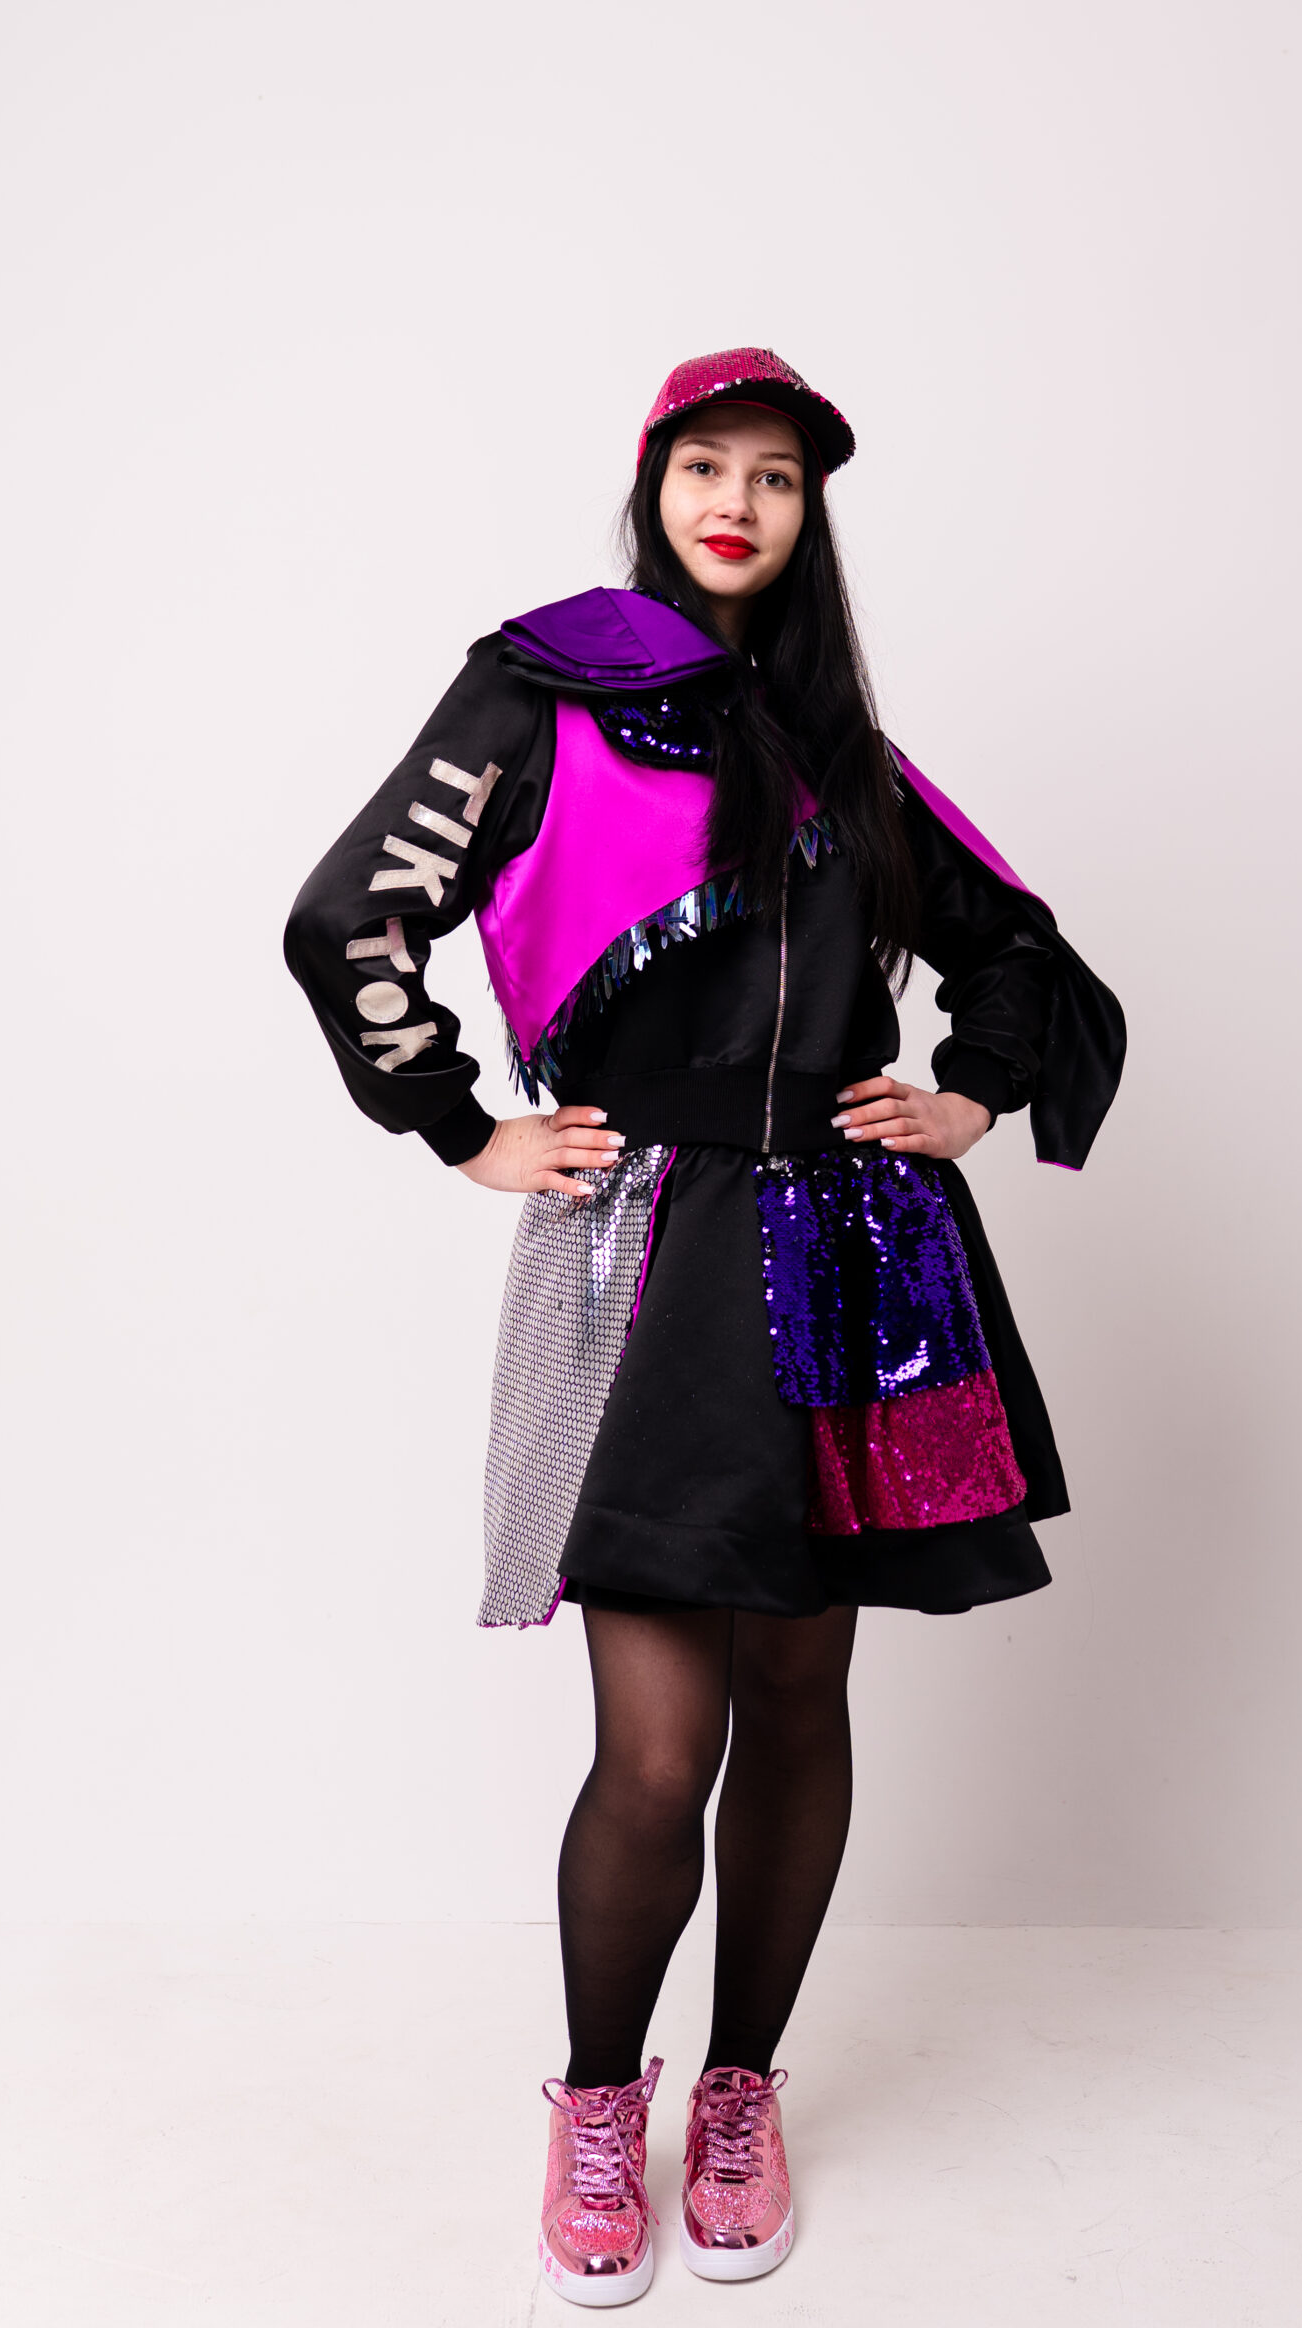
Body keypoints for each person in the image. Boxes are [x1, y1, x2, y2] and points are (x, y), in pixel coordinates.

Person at [284, 347, 1125, 2305]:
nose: (737, 502)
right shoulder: (542, 691)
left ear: (810, 514)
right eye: (706, 467)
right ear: (653, 484)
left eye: (776, 476)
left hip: (855, 1257)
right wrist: (460, 1123)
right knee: (657, 1746)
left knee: (801, 1703)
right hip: (650, 1247)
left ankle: (741, 2090)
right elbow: (348, 916)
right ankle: (599, 2103)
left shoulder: (841, 753)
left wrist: (970, 1096)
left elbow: (1015, 944)